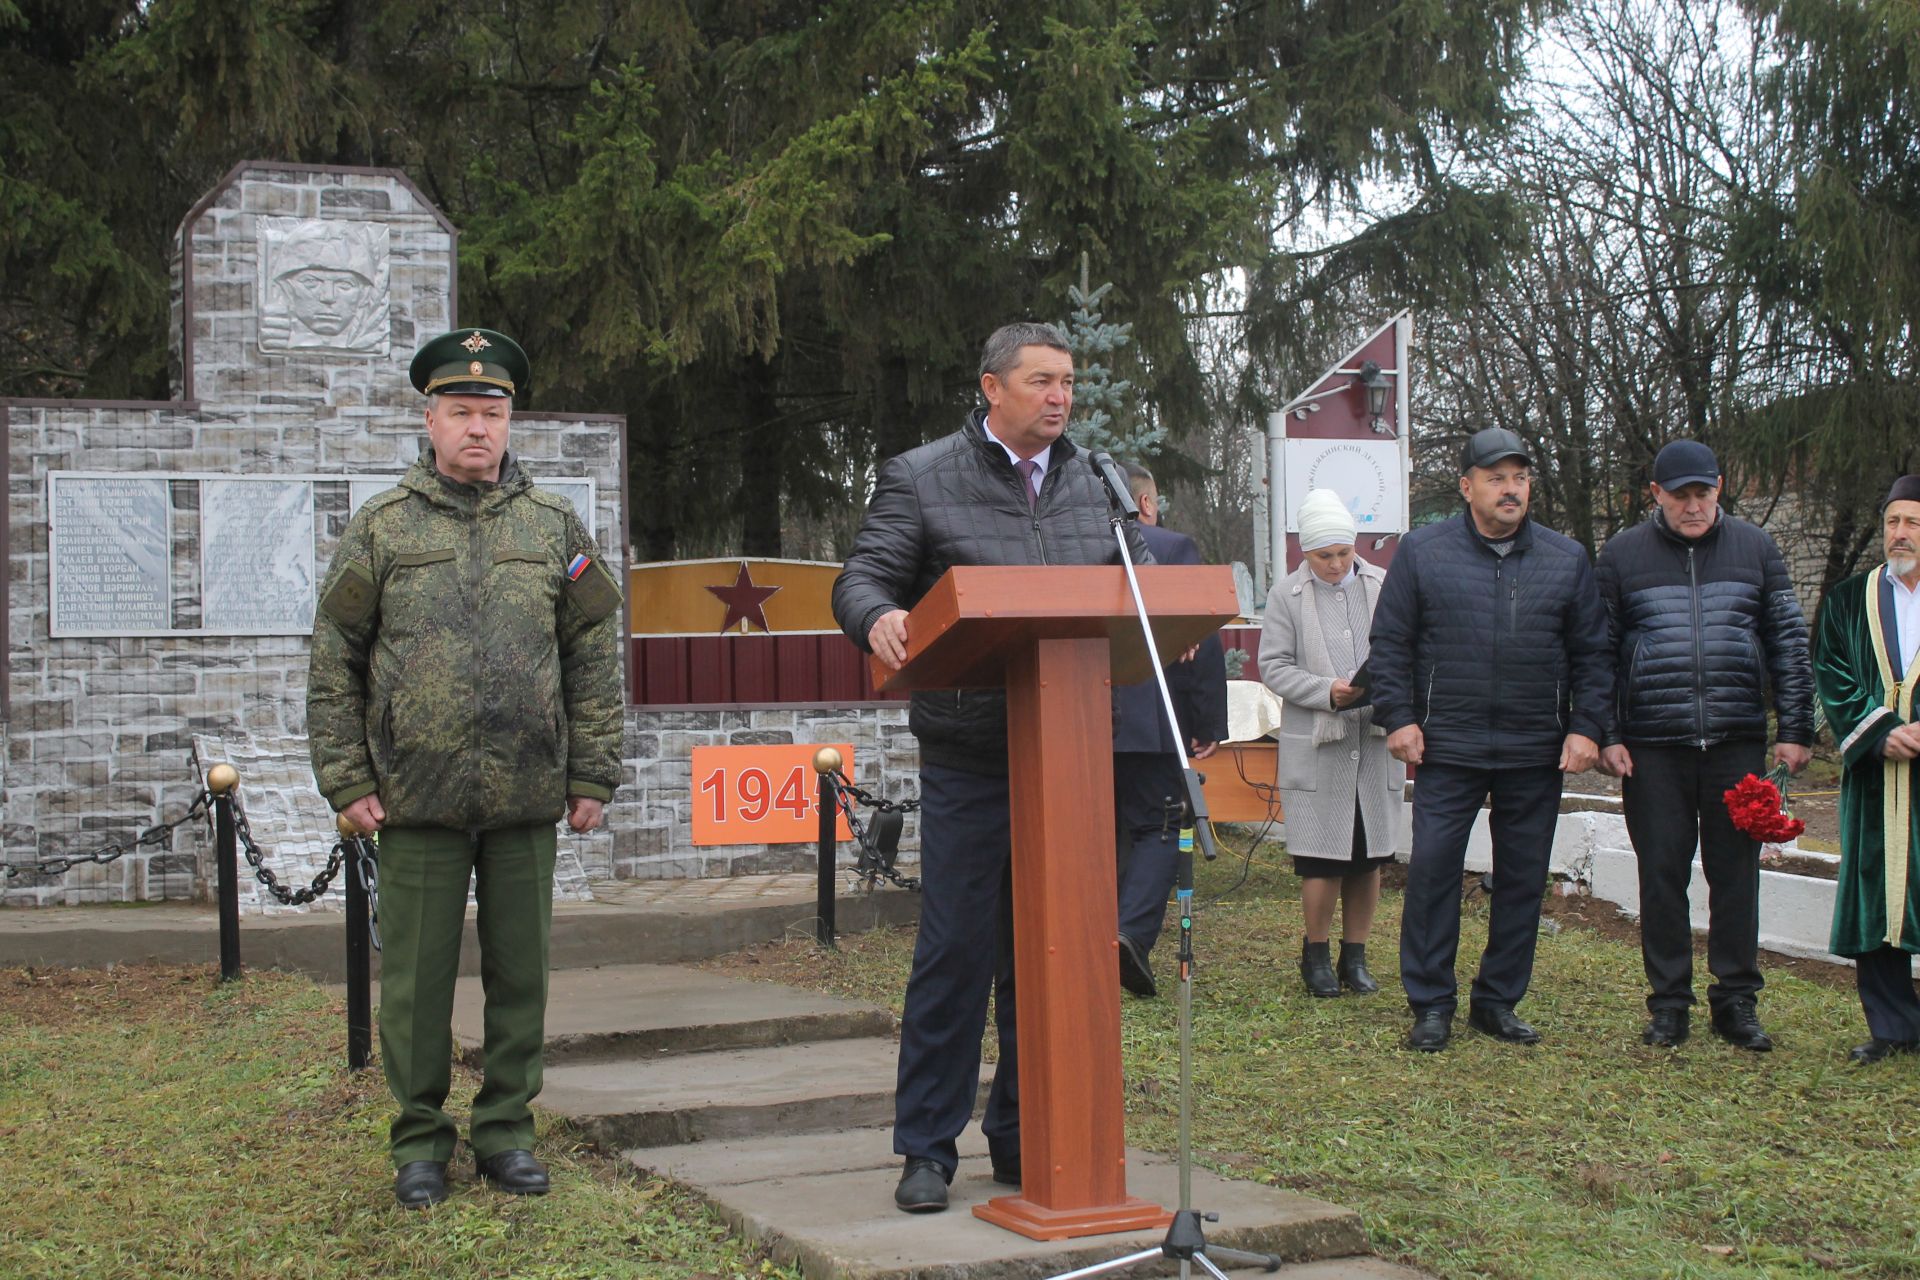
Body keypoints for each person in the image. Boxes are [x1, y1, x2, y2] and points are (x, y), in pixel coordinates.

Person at [830, 321, 1151, 1214]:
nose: (1060, 397)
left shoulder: (1095, 481)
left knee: (1054, 956)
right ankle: (926, 1149)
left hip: (1074, 751)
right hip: (974, 754)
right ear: (991, 388)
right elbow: (861, 579)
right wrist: (878, 617)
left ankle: (1024, 1136)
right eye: (1042, 381)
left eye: (1069, 382)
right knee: (960, 951)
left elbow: (1131, 584)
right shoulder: (923, 476)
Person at [307, 328, 624, 1208]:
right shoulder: (383, 527)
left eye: (493, 412)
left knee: (522, 974)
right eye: (461, 412)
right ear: (430, 419)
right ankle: (417, 1143)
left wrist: (592, 773)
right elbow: (335, 657)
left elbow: (594, 650)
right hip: (415, 796)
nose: (478, 428)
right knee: (414, 986)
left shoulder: (553, 525)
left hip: (526, 792)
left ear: (510, 419)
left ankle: (507, 1133)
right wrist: (348, 777)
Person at [1368, 426, 1611, 1051]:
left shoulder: (1566, 558)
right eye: (1497, 477)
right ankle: (1431, 1003)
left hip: (1535, 748)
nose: (1510, 489)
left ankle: (1497, 1001)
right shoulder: (1423, 553)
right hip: (1447, 744)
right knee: (1433, 872)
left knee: (1523, 878)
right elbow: (1390, 645)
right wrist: (1399, 717)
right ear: (1466, 486)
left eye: (1520, 477)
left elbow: (1593, 653)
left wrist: (1586, 727)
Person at [1595, 440, 1814, 1051]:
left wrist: (1794, 730)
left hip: (1736, 740)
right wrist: (1607, 733)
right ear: (1656, 496)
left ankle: (1736, 1000)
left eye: (1703, 493)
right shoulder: (1622, 555)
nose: (1693, 506)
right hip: (1652, 745)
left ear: (1719, 488)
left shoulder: (1755, 547)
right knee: (1661, 873)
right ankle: (1669, 1003)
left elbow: (1788, 641)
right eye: (1679, 495)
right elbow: (1598, 653)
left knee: (1736, 875)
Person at [1257, 489, 1402, 997]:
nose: (1337, 564)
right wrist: (1327, 692)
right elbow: (1272, 665)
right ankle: (1315, 954)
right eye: (1325, 556)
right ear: (1305, 554)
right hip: (1321, 743)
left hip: (1375, 737)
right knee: (1321, 858)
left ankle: (1355, 956)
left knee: (1369, 856)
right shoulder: (1286, 596)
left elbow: (1403, 647)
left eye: (1344, 552)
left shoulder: (1384, 585)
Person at [1813, 475, 1920, 1063]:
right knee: (1876, 892)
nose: (1899, 535)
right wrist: (1881, 731)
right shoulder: (1850, 599)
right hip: (1875, 776)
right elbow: (1831, 672)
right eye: (1892, 523)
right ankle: (1892, 1027)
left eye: (1913, 523)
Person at [1112, 462, 1226, 998]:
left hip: (1078, 715)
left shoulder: (1068, 546)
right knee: (1157, 826)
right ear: (1146, 504)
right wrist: (1207, 724)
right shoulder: (1173, 546)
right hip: (1148, 720)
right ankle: (1129, 934)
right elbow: (1202, 636)